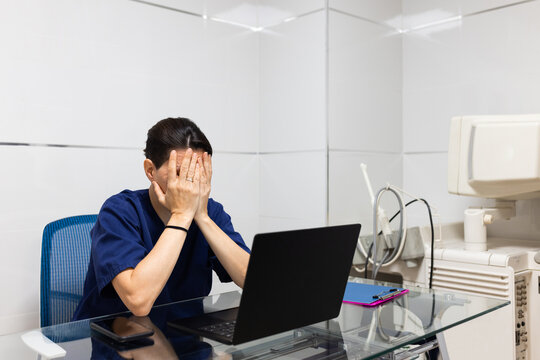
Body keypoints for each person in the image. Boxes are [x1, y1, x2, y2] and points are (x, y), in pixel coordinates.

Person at [73, 117, 250, 320]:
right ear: (150, 170)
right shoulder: (119, 211)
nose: (190, 184)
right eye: (180, 173)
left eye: (198, 173)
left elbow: (253, 280)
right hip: (117, 342)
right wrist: (181, 215)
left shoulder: (211, 212)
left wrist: (202, 216)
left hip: (185, 339)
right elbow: (138, 301)